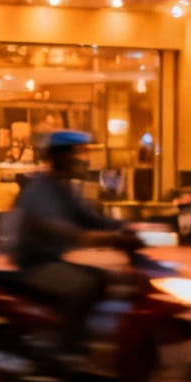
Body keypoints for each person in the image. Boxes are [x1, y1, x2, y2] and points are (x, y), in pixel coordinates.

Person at [12, 132, 136, 363]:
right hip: (35, 265)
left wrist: (126, 226)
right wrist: (104, 239)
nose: (81, 159)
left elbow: (88, 218)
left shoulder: (64, 189)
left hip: (53, 261)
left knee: (104, 279)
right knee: (83, 285)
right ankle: (65, 349)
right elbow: (61, 228)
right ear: (59, 157)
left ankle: (77, 333)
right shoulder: (40, 190)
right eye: (75, 153)